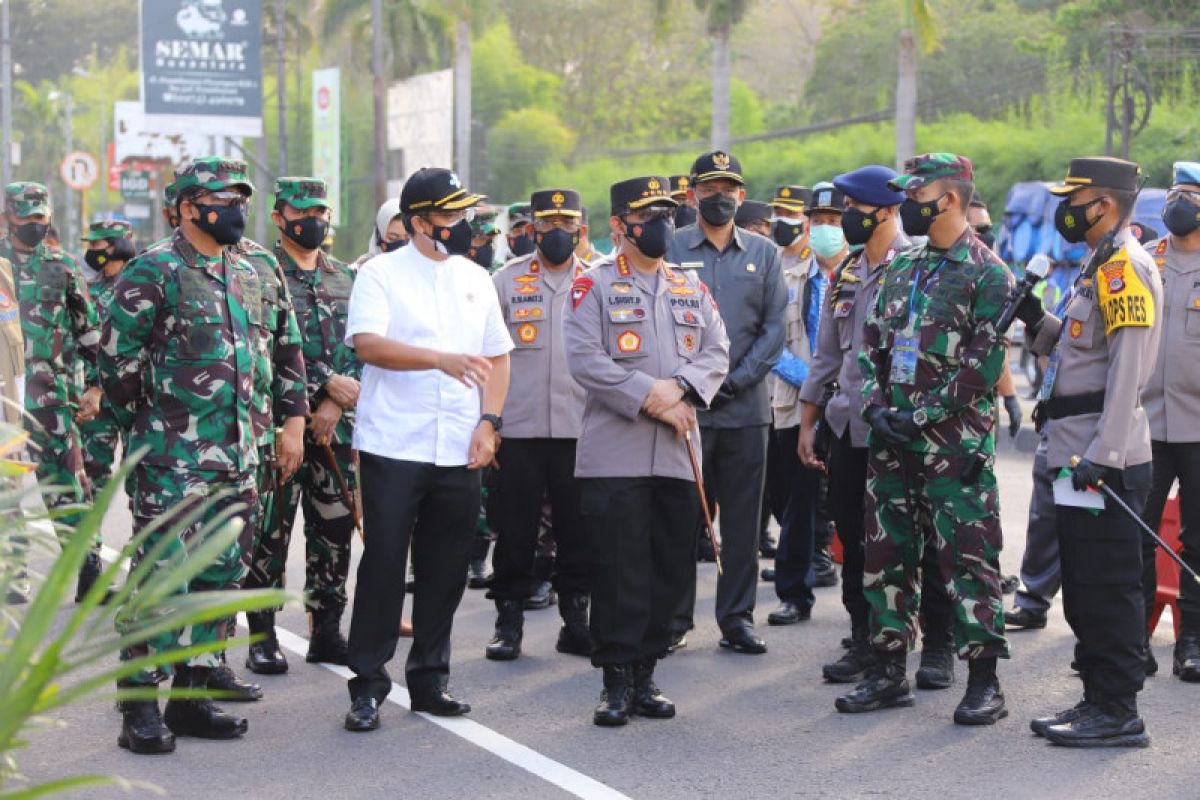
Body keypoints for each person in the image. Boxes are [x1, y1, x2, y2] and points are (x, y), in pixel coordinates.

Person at [101, 157, 306, 753]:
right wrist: (151, 440)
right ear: (188, 207)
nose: (235, 208)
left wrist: (290, 424)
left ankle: (191, 697)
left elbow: (288, 352)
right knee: (161, 587)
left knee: (221, 581)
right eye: (222, 198)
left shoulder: (260, 269)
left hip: (243, 460)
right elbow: (116, 372)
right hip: (173, 465)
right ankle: (139, 704)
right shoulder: (153, 272)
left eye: (241, 197)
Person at [843, 153, 1012, 725]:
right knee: (886, 558)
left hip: (954, 452)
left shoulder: (990, 275)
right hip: (892, 443)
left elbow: (980, 368)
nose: (907, 206)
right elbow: (869, 347)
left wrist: (915, 417)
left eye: (917, 195)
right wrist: (874, 406)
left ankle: (984, 682)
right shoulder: (902, 267)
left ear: (951, 200)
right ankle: (889, 672)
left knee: (969, 564)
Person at [342, 167, 511, 732]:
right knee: (386, 563)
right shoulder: (381, 274)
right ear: (418, 222)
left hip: (459, 443)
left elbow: (498, 356)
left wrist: (490, 421)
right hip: (395, 440)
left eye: (464, 214)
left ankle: (430, 680)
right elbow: (367, 344)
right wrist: (438, 358)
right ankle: (367, 684)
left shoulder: (474, 277)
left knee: (445, 568)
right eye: (450, 216)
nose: (462, 226)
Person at [563, 175, 729, 726]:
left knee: (667, 568)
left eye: (665, 213)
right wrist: (651, 398)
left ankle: (647, 674)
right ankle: (614, 679)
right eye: (647, 215)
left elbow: (717, 349)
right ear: (620, 225)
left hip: (678, 456)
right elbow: (585, 359)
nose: (660, 224)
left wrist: (680, 389)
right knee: (617, 568)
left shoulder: (688, 286)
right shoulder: (595, 286)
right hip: (616, 455)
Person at [1013, 156, 1161, 747]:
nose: (1065, 210)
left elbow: (1129, 370)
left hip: (1104, 459)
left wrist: (1108, 454)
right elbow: (1083, 349)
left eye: (1074, 200)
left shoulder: (1126, 266)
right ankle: (1097, 695)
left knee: (1108, 583)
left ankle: (1120, 710)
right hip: (1077, 454)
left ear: (1103, 204)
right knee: (1082, 582)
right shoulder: (1096, 264)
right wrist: (1038, 320)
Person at [667, 151, 786, 656]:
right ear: (692, 193)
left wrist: (730, 383)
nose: (721, 198)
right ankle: (673, 620)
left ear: (741, 194)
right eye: (710, 188)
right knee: (677, 522)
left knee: (741, 525)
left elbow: (774, 331)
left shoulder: (765, 251)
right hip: (683, 411)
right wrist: (689, 386)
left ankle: (736, 619)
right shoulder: (670, 247)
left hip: (744, 411)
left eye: (729, 188)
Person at [243, 177, 360, 674]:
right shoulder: (260, 273)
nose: (313, 220)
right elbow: (265, 349)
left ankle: (327, 630)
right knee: (270, 532)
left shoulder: (345, 278)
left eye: (320, 210)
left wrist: (337, 398)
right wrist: (319, 390)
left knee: (333, 531)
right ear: (279, 217)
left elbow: (363, 341)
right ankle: (262, 635)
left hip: (337, 429)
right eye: (302, 211)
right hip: (281, 427)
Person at [798, 166, 907, 682]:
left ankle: (918, 645)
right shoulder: (847, 271)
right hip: (846, 427)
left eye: (853, 208)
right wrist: (806, 421)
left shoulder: (912, 266)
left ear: (886, 211)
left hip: (893, 432)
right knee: (851, 536)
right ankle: (863, 637)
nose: (844, 218)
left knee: (901, 541)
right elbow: (825, 355)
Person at [486, 188, 592, 661]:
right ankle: (508, 623)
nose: (555, 234)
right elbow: (488, 356)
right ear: (533, 229)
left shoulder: (597, 281)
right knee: (514, 533)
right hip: (520, 430)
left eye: (565, 225)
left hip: (579, 430)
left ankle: (576, 622)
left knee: (577, 532)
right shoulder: (505, 282)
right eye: (546, 225)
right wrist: (488, 423)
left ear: (580, 230)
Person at [2, 182, 103, 600]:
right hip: (3, 397)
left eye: (40, 218)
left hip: (51, 397)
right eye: (26, 219)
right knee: (6, 489)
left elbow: (90, 331)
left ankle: (90, 574)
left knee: (68, 484)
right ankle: (12, 577)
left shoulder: (62, 266)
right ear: (8, 217)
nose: (34, 226)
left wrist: (95, 386)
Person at [1139, 161, 1200, 683]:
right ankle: (1132, 638)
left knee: (1199, 541)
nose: (1179, 204)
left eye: (1191, 195)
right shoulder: (1145, 261)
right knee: (1135, 532)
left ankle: (1193, 641)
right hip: (1144, 423)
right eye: (1175, 193)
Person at [764, 185, 825, 626]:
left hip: (846, 406)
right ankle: (794, 592)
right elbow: (768, 340)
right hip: (790, 402)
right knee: (790, 500)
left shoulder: (854, 275)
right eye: (817, 221)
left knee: (835, 503)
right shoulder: (776, 272)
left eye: (832, 222)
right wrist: (813, 384)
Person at [79, 220, 136, 493]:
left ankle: (142, 535)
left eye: (96, 244)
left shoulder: (143, 285)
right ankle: (91, 537)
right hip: (96, 399)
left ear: (117, 246)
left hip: (136, 397)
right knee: (92, 472)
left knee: (140, 475)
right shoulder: (87, 289)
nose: (91, 251)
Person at [354, 198, 407, 269]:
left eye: (408, 238)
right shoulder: (362, 271)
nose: (402, 245)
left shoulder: (423, 270)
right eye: (393, 238)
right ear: (379, 238)